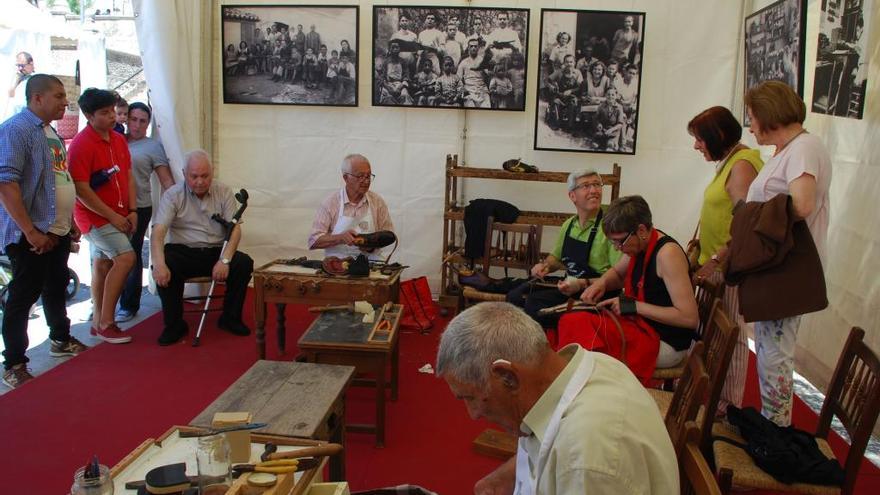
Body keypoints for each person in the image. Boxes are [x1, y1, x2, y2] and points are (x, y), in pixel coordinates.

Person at [436, 302, 679, 494]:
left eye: (471, 398)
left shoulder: (585, 459)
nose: (473, 414)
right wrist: (509, 474)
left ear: (508, 376)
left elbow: (582, 463)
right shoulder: (581, 368)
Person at [744, 81, 831, 426]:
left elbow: (803, 204)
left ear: (769, 115)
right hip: (776, 262)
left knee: (776, 350)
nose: (750, 126)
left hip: (788, 266)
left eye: (752, 118)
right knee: (768, 347)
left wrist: (754, 217)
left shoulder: (804, 149)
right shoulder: (790, 149)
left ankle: (776, 429)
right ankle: (771, 422)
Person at [0, 74, 88, 388]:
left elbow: (58, 179)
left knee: (56, 285)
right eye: (59, 95)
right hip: (31, 233)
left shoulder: (48, 130)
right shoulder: (16, 130)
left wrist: (70, 221)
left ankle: (61, 339)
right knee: (23, 297)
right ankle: (14, 363)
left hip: (57, 229)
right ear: (37, 98)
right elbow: (6, 183)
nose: (66, 102)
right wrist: (30, 231)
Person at [558, 196, 699, 384]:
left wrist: (634, 306)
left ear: (641, 230)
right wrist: (601, 284)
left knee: (579, 331)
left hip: (664, 343)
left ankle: (592, 390)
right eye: (613, 243)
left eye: (619, 242)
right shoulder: (641, 243)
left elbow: (689, 318)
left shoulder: (667, 255)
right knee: (570, 322)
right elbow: (617, 274)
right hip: (643, 326)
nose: (617, 248)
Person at [688, 105, 762, 414]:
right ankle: (711, 400)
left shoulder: (743, 164)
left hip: (729, 270)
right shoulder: (732, 161)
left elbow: (746, 222)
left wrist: (716, 258)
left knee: (730, 338)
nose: (696, 146)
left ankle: (727, 410)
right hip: (715, 266)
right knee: (715, 337)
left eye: (700, 139)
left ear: (718, 135)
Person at [150, 150, 254, 346]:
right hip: (183, 251)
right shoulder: (173, 195)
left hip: (215, 250)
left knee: (243, 263)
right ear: (184, 173)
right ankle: (174, 325)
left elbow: (235, 230)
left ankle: (230, 319)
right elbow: (158, 232)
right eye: (194, 176)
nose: (200, 181)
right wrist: (158, 264)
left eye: (205, 176)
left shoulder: (223, 191)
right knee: (167, 263)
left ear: (212, 172)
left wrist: (225, 260)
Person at [506, 170, 620, 327]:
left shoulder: (611, 225)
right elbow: (555, 258)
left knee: (535, 305)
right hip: (570, 287)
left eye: (596, 185)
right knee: (516, 295)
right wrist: (545, 266)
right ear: (572, 196)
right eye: (586, 186)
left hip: (595, 293)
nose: (594, 190)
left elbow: (620, 276)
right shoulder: (569, 225)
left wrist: (581, 283)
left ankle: (550, 347)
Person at [68, 88, 136, 344]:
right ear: (88, 115)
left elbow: (127, 175)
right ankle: (107, 321)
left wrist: (132, 210)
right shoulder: (81, 144)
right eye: (105, 113)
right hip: (94, 217)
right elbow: (81, 189)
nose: (111, 117)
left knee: (103, 263)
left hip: (118, 212)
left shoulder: (118, 139)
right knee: (126, 257)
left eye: (112, 111)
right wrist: (113, 216)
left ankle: (99, 321)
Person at [116, 102, 175, 323]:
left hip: (139, 207)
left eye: (142, 121)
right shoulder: (114, 140)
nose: (137, 125)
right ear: (126, 119)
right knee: (107, 256)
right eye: (133, 119)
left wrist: (181, 202)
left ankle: (128, 304)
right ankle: (105, 303)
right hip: (110, 206)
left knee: (131, 253)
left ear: (148, 123)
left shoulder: (152, 147)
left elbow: (166, 180)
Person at [308, 154, 394, 260]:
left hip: (371, 267)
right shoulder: (331, 203)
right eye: (360, 176)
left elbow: (388, 235)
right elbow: (314, 241)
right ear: (346, 178)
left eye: (368, 176)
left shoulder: (377, 202)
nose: (366, 181)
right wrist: (340, 238)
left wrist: (370, 246)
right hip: (337, 267)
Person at [546, 54, 583, 131]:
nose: (569, 64)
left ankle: (570, 125)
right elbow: (547, 80)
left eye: (571, 62)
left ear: (574, 63)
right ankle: (557, 122)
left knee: (573, 102)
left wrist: (571, 91)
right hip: (560, 95)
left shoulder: (577, 73)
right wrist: (551, 87)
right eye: (567, 62)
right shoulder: (559, 72)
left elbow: (580, 87)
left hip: (571, 96)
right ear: (564, 63)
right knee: (556, 102)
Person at [457, 39, 491, 109]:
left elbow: (488, 77)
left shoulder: (483, 60)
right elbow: (458, 79)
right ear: (468, 48)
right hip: (469, 91)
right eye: (471, 46)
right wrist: (463, 90)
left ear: (478, 48)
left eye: (475, 46)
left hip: (482, 90)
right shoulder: (463, 62)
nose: (473, 48)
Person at [378, 41, 412, 105]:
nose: (395, 49)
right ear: (390, 49)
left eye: (397, 47)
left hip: (400, 84)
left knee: (404, 95)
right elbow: (382, 76)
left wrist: (400, 87)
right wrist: (388, 87)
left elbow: (406, 76)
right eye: (393, 47)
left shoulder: (403, 62)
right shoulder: (386, 62)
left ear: (400, 49)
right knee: (387, 98)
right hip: (388, 84)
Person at [5, 52, 35, 120]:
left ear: (31, 64)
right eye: (18, 65)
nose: (19, 69)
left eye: (22, 66)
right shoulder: (18, 79)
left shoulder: (35, 81)